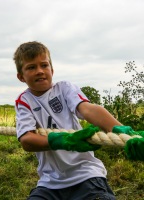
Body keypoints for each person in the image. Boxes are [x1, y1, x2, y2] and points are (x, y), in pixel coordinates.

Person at [13, 41, 135, 200]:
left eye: (44, 65)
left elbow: (88, 109)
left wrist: (120, 130)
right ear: (21, 77)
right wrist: (63, 140)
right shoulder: (24, 101)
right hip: (49, 183)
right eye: (31, 67)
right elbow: (27, 140)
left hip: (86, 175)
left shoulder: (64, 88)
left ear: (52, 69)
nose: (40, 71)